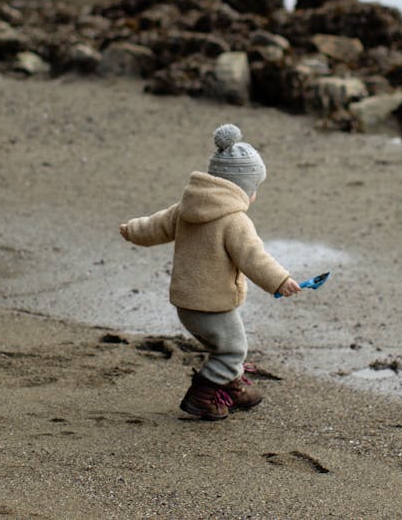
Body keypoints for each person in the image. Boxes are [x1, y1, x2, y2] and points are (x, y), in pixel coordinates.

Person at [119, 123, 301, 421]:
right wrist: (280, 281)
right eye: (254, 189)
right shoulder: (234, 221)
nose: (254, 196)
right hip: (213, 305)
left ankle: (232, 387)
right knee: (232, 350)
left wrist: (132, 230)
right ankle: (202, 397)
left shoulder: (186, 207)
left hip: (186, 303)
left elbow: (156, 225)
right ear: (241, 188)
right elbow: (254, 258)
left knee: (224, 346)